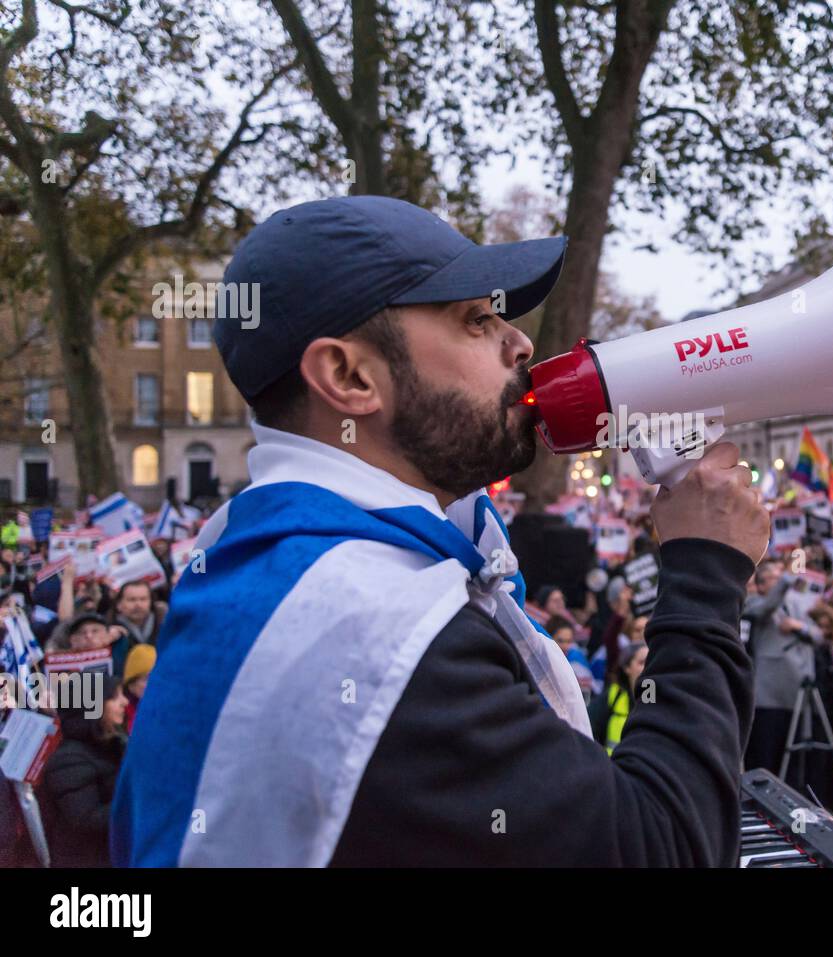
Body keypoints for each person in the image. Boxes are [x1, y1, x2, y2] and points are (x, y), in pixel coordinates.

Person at [112, 196, 771, 867]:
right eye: (477, 318)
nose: (520, 342)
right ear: (348, 376)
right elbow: (664, 847)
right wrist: (706, 570)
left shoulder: (275, 559)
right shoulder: (372, 627)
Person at [743, 560, 823, 780]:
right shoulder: (752, 603)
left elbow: (818, 635)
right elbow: (767, 606)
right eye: (775, 579)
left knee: (796, 761)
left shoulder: (797, 606)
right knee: (766, 759)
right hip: (769, 698)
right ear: (760, 585)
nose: (781, 583)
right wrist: (788, 576)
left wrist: (800, 627)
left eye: (781, 578)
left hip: (798, 695)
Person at [41, 677, 129, 867]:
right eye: (114, 697)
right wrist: (136, 806)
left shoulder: (111, 744)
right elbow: (85, 820)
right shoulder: (67, 760)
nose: (125, 701)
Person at [589, 641, 648, 754]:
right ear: (627, 668)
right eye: (641, 663)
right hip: (614, 767)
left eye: (649, 662)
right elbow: (590, 730)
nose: (647, 667)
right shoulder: (613, 695)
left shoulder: (656, 696)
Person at [122, 643, 157, 733]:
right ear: (131, 685)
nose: (153, 683)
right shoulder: (121, 714)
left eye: (157, 677)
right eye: (146, 679)